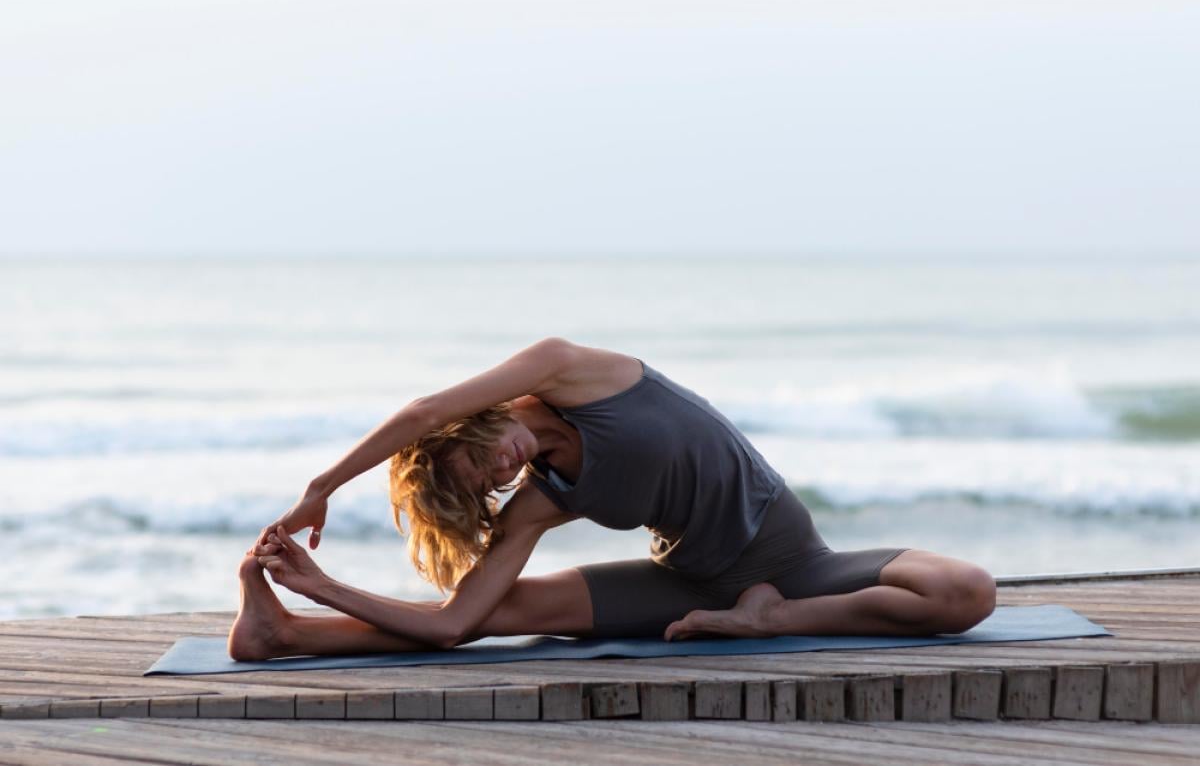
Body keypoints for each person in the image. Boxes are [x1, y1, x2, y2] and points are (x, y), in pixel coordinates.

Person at [228, 338, 996, 661]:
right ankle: (285, 635)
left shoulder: (571, 372)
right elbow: (454, 625)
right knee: (496, 614)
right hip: (687, 585)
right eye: (485, 487)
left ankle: (777, 619)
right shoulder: (540, 500)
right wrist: (323, 589)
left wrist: (321, 488)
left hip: (791, 564)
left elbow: (421, 410)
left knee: (966, 592)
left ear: (461, 428)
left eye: (478, 460)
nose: (500, 476)